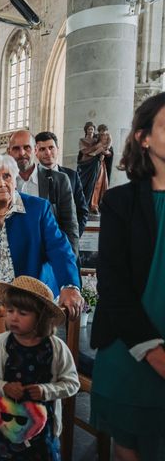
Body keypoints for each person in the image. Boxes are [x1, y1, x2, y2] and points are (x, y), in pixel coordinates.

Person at [0, 154, 82, 363]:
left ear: (15, 179)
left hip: (32, 301)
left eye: (6, 177)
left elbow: (60, 249)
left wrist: (70, 285)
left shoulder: (38, 208)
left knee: (35, 364)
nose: (1, 183)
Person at [90, 92, 165, 461]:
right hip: (131, 346)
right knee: (131, 447)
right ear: (144, 137)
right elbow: (113, 285)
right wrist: (154, 353)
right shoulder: (121, 202)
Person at [0, 276, 80, 459]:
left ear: (41, 317)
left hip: (44, 429)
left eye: (23, 313)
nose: (13, 317)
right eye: (10, 311)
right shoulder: (1, 344)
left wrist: (46, 390)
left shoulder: (56, 348)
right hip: (7, 424)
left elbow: (72, 383)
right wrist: (4, 387)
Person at [7, 130, 79, 254]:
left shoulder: (59, 180)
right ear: (9, 152)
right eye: (16, 149)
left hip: (48, 257)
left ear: (35, 150)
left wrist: (69, 259)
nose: (22, 153)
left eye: (26, 147)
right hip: (14, 258)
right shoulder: (3, 182)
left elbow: (70, 225)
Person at [35, 131, 89, 237]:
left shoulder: (72, 176)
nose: (47, 153)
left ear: (57, 149)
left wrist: (73, 238)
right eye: (42, 149)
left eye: (51, 148)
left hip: (67, 242)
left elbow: (82, 211)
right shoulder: (31, 178)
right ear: (35, 152)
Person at [77, 121, 113, 215]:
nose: (90, 131)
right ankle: (83, 205)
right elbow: (84, 151)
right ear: (86, 130)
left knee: (97, 184)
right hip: (86, 165)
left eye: (92, 129)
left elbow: (108, 150)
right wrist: (97, 147)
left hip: (97, 165)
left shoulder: (98, 138)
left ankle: (94, 205)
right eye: (89, 129)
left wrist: (104, 153)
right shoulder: (83, 140)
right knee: (84, 184)